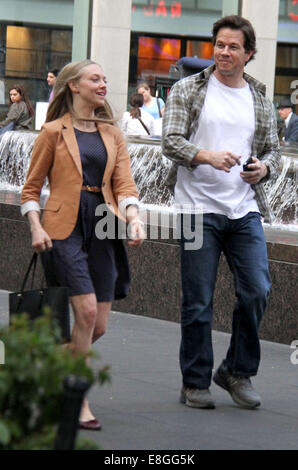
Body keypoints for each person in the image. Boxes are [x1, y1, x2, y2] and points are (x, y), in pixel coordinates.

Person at [162, 15, 280, 410]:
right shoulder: (189, 88)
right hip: (197, 208)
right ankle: (195, 382)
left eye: (233, 47)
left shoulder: (260, 98)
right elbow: (171, 141)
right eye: (219, 45)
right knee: (198, 300)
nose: (224, 52)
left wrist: (264, 168)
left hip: (243, 209)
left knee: (258, 290)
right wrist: (206, 155)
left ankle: (236, 371)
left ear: (249, 54)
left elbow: (274, 153)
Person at [21, 59, 145, 430]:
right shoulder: (53, 132)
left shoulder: (112, 134)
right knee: (86, 313)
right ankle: (77, 399)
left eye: (105, 79)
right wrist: (35, 227)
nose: (103, 84)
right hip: (62, 227)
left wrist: (134, 217)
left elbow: (124, 184)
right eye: (95, 79)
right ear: (73, 86)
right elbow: (31, 189)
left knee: (99, 324)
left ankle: (52, 371)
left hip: (105, 224)